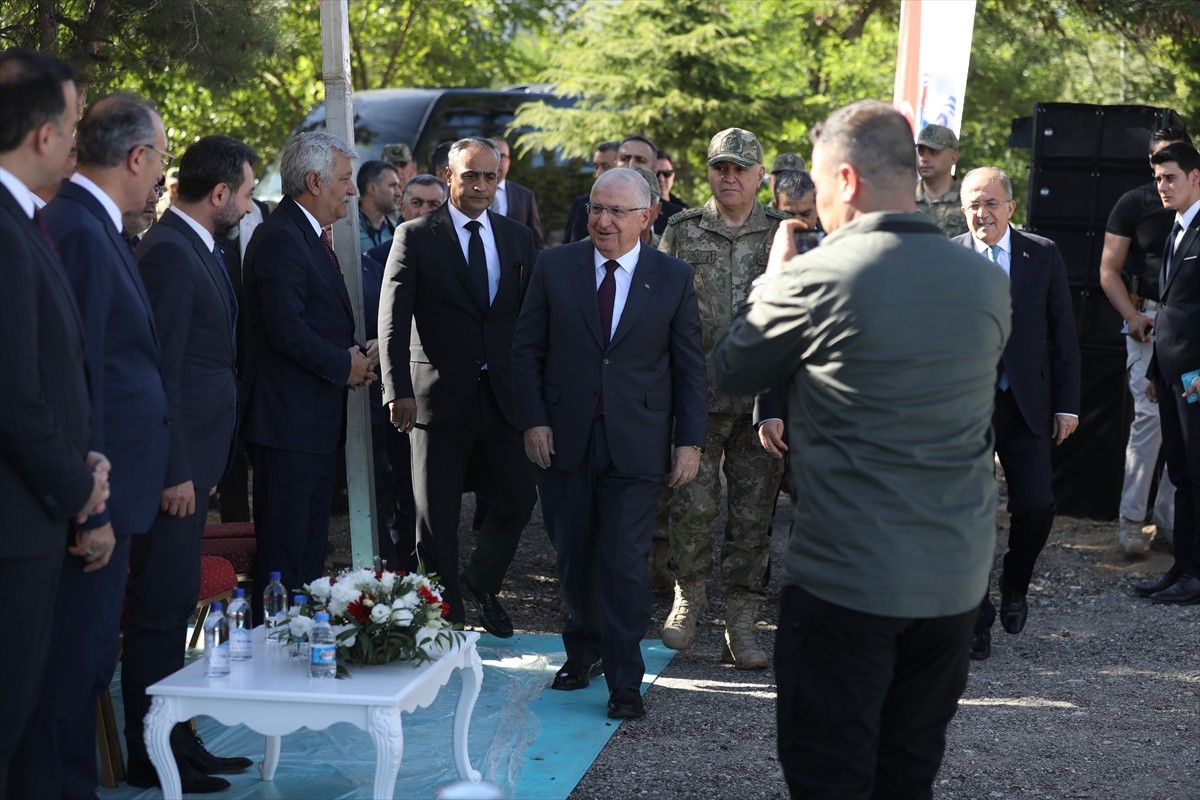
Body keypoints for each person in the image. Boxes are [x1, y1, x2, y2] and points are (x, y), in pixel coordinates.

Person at [710, 99, 1012, 799]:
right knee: (907, 773)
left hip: (850, 580)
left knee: (831, 775)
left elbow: (732, 369)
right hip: (952, 580)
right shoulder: (986, 282)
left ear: (845, 182)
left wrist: (777, 275)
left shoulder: (819, 277)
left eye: (816, 186)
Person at [10, 92, 173, 800]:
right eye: (162, 156)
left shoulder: (91, 224)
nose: (161, 170)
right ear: (138, 157)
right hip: (88, 505)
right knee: (65, 683)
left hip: (112, 491)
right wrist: (90, 508)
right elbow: (76, 383)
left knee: (79, 677)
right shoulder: (75, 228)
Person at [512, 167, 707, 719]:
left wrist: (688, 442)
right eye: (597, 208)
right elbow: (525, 351)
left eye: (617, 211)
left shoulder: (672, 277)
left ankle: (625, 680)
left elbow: (689, 369)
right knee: (574, 556)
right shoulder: (555, 265)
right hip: (563, 438)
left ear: (647, 217)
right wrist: (534, 420)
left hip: (638, 442)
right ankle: (583, 651)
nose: (602, 220)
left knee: (624, 562)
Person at [122, 135, 259, 793]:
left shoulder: (197, 246)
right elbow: (161, 372)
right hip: (172, 470)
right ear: (220, 193)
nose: (252, 202)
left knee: (175, 604)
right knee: (159, 609)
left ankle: (178, 737)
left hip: (196, 462)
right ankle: (151, 754)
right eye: (249, 190)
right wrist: (176, 468)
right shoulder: (171, 254)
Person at [0, 47, 109, 795]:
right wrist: (80, 486)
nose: (78, 141)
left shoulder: (22, 220)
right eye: (73, 124)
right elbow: (13, 393)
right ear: (44, 135)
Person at [378, 137, 538, 637]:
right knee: (436, 520)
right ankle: (445, 621)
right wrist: (395, 387)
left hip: (502, 399)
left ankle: (479, 582)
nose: (481, 186)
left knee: (517, 500)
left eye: (490, 176)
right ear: (449, 177)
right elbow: (392, 319)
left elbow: (531, 321)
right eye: (471, 175)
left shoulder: (518, 239)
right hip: (434, 399)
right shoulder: (416, 235)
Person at [657, 127, 788, 669]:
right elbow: (657, 311)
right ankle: (687, 597)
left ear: (761, 176)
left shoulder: (786, 234)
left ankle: (742, 619)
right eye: (720, 168)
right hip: (697, 401)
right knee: (691, 507)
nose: (729, 177)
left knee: (754, 518)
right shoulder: (682, 232)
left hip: (763, 406)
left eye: (740, 169)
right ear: (708, 172)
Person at [241, 131, 375, 622]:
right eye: (345, 180)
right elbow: (285, 329)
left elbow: (314, 322)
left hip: (312, 425)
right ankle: (271, 656)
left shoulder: (307, 235)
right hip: (287, 426)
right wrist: (346, 365)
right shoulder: (280, 237)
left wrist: (356, 353)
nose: (353, 190)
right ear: (315, 181)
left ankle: (296, 652)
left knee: (307, 552)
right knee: (284, 557)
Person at [953, 167, 1081, 660]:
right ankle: (976, 616)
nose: (980, 213)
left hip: (1027, 402)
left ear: (1010, 206)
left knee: (1037, 505)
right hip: (966, 408)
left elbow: (1063, 334)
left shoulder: (1041, 254)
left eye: (989, 203)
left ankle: (1014, 585)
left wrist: (1067, 404)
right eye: (971, 205)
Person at [1098, 127, 1190, 554]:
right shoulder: (1134, 202)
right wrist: (1132, 315)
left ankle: (1171, 522)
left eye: (1169, 167)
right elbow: (1108, 270)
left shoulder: (1193, 213)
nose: (1161, 180)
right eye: (1156, 167)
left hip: (1186, 328)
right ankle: (1132, 521)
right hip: (1146, 320)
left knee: (1185, 427)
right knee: (1150, 422)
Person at [1134, 141, 1200, 605]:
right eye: (1158, 178)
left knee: (1198, 472)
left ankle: (1196, 574)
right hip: (1174, 374)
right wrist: (1156, 370)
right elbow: (1169, 311)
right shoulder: (1174, 229)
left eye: (1170, 177)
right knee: (1180, 471)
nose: (1162, 186)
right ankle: (1182, 566)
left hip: (1198, 378)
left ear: (1196, 177)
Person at [491, 136, 545, 249]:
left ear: (509, 163)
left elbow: (536, 241)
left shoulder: (525, 196)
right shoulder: (472, 194)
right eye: (493, 154)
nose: (497, 161)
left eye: (502, 156)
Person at [915, 123, 968, 237]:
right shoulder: (904, 199)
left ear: (953, 158)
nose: (924, 159)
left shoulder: (969, 200)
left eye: (934, 152)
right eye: (921, 152)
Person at [564, 140, 619, 243]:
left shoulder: (636, 204)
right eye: (596, 167)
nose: (598, 173)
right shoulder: (581, 205)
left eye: (605, 166)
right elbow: (568, 247)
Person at [356, 159, 401, 253]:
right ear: (372, 189)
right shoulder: (346, 229)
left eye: (398, 187)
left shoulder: (397, 229)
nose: (399, 193)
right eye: (393, 186)